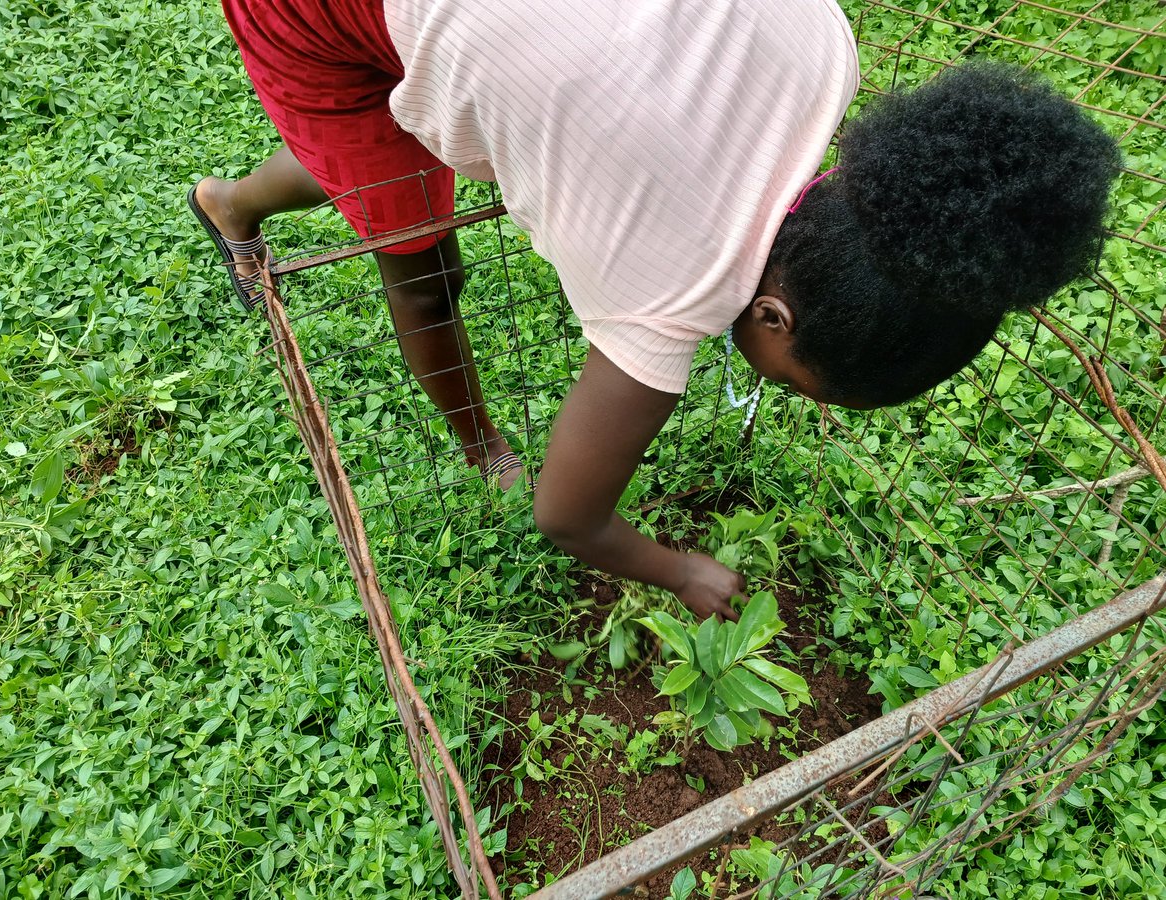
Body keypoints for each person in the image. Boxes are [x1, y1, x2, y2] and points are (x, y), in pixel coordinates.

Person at [189, 0, 1120, 621]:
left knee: (399, 120)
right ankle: (478, 446)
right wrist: (679, 569)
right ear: (774, 321)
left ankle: (233, 201)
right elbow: (568, 517)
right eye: (800, 389)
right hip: (323, 10)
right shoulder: (668, 286)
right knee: (417, 253)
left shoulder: (826, 49)